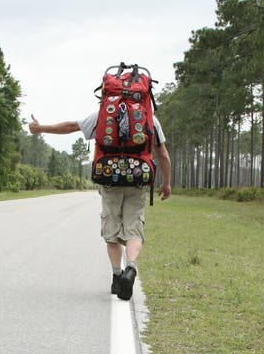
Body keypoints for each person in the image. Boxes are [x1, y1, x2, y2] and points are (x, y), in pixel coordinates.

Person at [28, 94, 171, 302]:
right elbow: (163, 155)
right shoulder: (149, 117)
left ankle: (116, 276)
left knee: (111, 230)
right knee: (134, 229)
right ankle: (130, 266)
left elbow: (70, 127)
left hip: (110, 179)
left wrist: (40, 128)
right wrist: (166, 183)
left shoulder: (103, 114)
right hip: (138, 180)